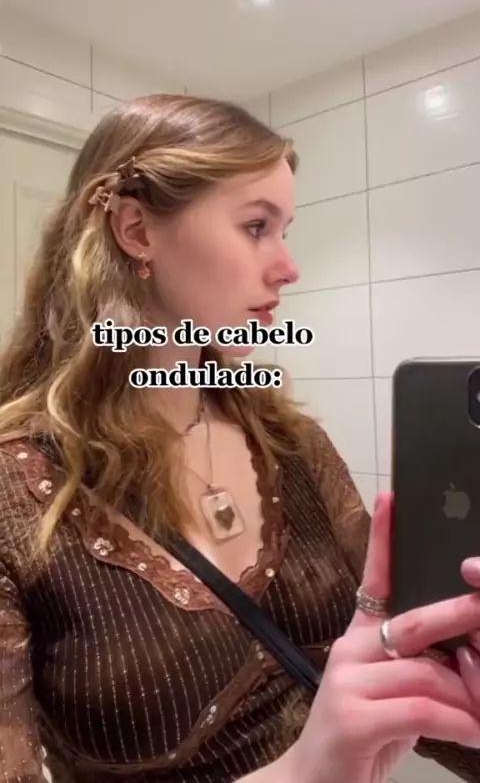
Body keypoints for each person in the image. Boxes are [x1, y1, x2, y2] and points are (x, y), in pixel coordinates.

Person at [1, 94, 480, 783]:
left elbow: (401, 679)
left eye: (285, 229)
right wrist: (302, 772)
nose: (288, 267)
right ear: (136, 230)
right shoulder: (15, 493)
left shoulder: (295, 446)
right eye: (257, 226)